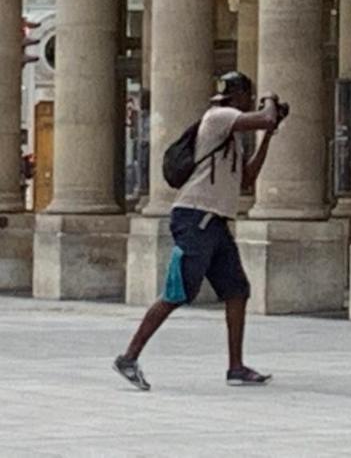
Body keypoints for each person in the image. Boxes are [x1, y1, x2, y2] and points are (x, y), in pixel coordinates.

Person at [113, 72, 282, 391]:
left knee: (237, 290)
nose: (251, 102)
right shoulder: (220, 116)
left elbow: (247, 178)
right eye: (249, 96)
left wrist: (269, 137)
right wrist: (271, 100)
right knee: (178, 292)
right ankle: (128, 357)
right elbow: (265, 117)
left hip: (215, 221)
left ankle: (236, 367)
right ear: (239, 96)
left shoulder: (230, 137)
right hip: (195, 217)